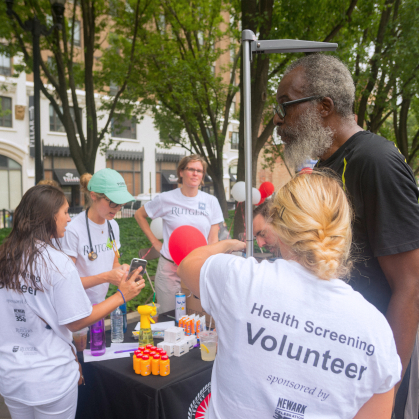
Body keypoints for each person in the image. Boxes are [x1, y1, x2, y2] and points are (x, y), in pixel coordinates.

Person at [178, 172, 401, 419]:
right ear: (344, 231)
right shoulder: (375, 330)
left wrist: (225, 245)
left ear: (280, 226)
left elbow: (189, 264)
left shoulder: (240, 280)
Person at [272, 54, 419, 419]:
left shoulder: (375, 161)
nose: (277, 119)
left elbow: (411, 283)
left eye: (285, 105)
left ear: (324, 107)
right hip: (335, 360)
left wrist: (389, 386)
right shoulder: (325, 167)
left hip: (372, 368)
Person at [0, 185, 145, 419]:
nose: (69, 218)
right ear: (48, 216)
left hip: (11, 376)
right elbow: (77, 322)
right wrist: (122, 296)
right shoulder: (57, 262)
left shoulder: (5, 256)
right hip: (51, 378)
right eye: (65, 212)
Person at [135, 154, 224, 312]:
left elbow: (213, 238)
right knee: (169, 316)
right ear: (181, 172)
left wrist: (211, 266)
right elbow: (139, 215)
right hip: (170, 269)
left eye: (199, 170)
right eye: (191, 169)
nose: (195, 173)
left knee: (196, 316)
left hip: (197, 268)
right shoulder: (165, 198)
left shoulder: (211, 201)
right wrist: (155, 242)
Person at [60, 169, 135, 305]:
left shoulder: (113, 225)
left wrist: (122, 270)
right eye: (113, 202)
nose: (117, 208)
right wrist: (106, 277)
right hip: (75, 307)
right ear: (94, 196)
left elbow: (114, 263)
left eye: (121, 203)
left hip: (100, 304)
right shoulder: (72, 230)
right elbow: (66, 281)